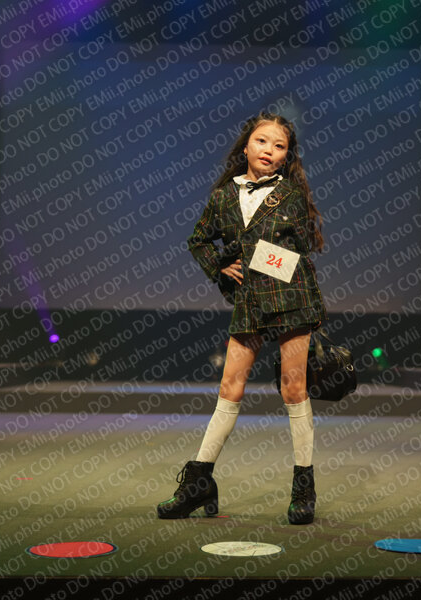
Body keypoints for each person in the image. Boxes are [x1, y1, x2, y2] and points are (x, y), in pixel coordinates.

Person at [157, 112, 327, 525]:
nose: (269, 150)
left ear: (287, 157)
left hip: (290, 297)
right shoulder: (223, 196)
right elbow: (198, 240)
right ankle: (199, 482)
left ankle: (304, 487)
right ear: (246, 147)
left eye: (279, 146)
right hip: (250, 300)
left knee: (293, 388)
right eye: (262, 141)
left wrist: (250, 256)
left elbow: (300, 253)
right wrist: (219, 266)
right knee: (229, 389)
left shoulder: (290, 194)